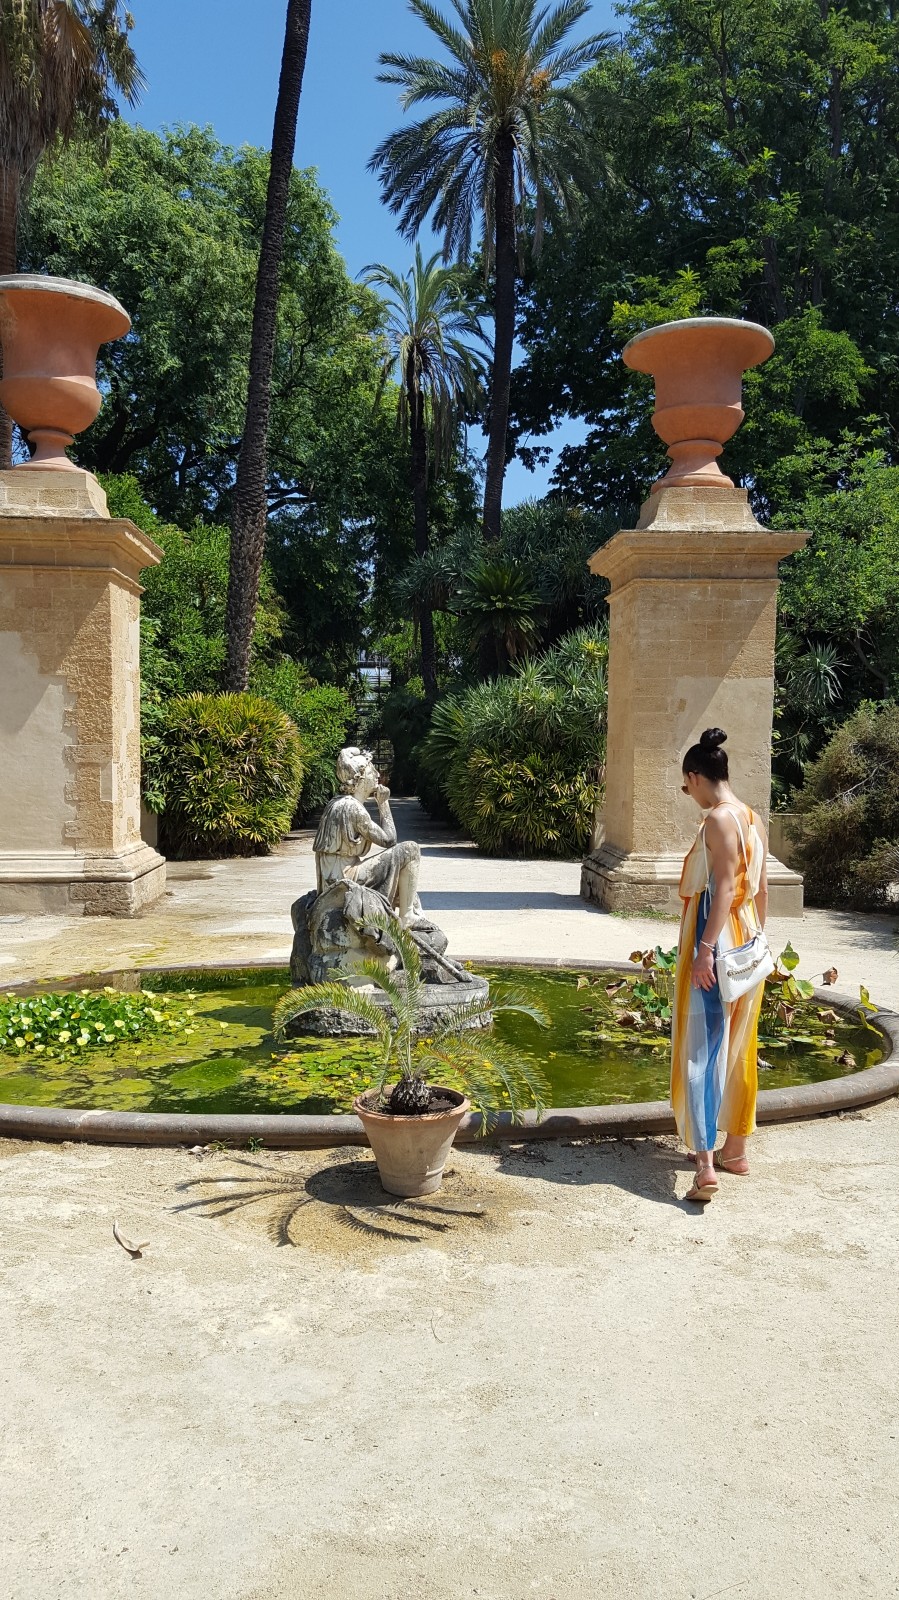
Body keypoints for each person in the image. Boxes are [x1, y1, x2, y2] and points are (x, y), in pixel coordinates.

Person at [671, 728, 769, 1202]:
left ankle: (705, 1164)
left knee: (703, 1049)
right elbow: (760, 891)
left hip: (719, 939)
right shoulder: (753, 818)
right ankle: (736, 1150)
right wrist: (758, 941)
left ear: (696, 776)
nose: (689, 795)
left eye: (687, 786)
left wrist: (705, 950)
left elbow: (725, 888)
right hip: (748, 941)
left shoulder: (718, 821)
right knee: (739, 1045)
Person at [312, 747, 423, 927]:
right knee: (410, 850)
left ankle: (411, 912)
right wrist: (384, 804)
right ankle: (407, 915)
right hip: (346, 877)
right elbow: (389, 840)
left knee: (406, 883)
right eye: (373, 770)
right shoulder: (354, 809)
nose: (378, 774)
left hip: (333, 877)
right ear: (361, 778)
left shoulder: (336, 803)